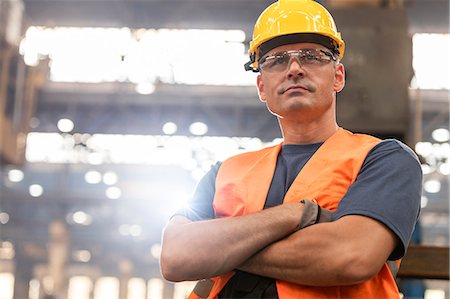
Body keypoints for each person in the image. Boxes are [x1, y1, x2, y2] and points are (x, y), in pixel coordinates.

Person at [160, 0, 422, 298]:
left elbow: (351, 255)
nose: (295, 68)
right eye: (276, 61)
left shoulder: (384, 159)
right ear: (262, 87)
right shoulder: (225, 172)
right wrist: (295, 215)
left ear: (338, 76)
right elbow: (175, 257)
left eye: (312, 56)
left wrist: (222, 251)